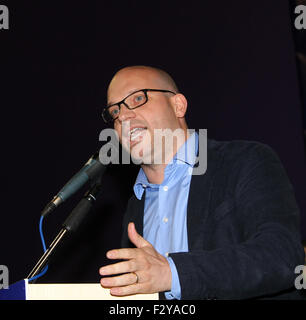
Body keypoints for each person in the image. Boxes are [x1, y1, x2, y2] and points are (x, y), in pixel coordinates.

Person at [99, 65, 305, 299]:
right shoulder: (135, 208)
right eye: (114, 111)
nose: (123, 116)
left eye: (137, 98)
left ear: (178, 105)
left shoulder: (244, 161)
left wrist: (173, 274)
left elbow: (282, 256)